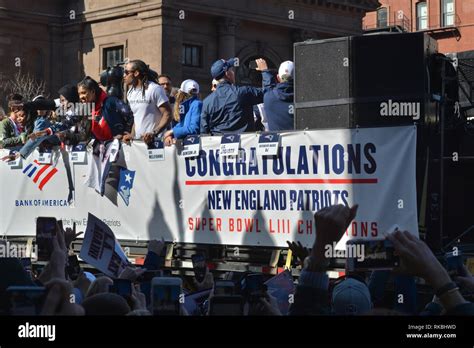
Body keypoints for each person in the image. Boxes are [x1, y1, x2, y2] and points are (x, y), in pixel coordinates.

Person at [200, 57, 266, 135]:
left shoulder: (206, 102)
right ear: (227, 74)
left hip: (218, 145)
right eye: (231, 70)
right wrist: (265, 71)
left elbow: (203, 133)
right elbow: (268, 93)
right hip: (244, 144)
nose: (233, 72)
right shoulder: (242, 92)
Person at [123, 60, 172, 144]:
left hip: (156, 142)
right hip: (139, 143)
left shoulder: (154, 89)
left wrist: (154, 133)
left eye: (126, 72)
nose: (124, 75)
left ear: (136, 73)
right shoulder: (130, 93)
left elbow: (168, 114)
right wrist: (132, 135)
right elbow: (137, 117)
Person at [77, 76, 127, 141]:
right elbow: (84, 135)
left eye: (83, 93)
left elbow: (130, 114)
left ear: (92, 92)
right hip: (99, 148)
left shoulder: (110, 102)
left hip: (120, 147)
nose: (81, 97)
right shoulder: (87, 109)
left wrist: (126, 133)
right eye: (79, 94)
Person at [256, 58, 294, 131]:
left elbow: (268, 88)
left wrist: (265, 71)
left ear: (278, 78)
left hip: (279, 141)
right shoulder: (304, 97)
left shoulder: (269, 97)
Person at [163, 79, 202, 145]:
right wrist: (170, 135)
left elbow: (194, 129)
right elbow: (182, 124)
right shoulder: (188, 105)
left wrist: (172, 131)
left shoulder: (196, 104)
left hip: (193, 145)